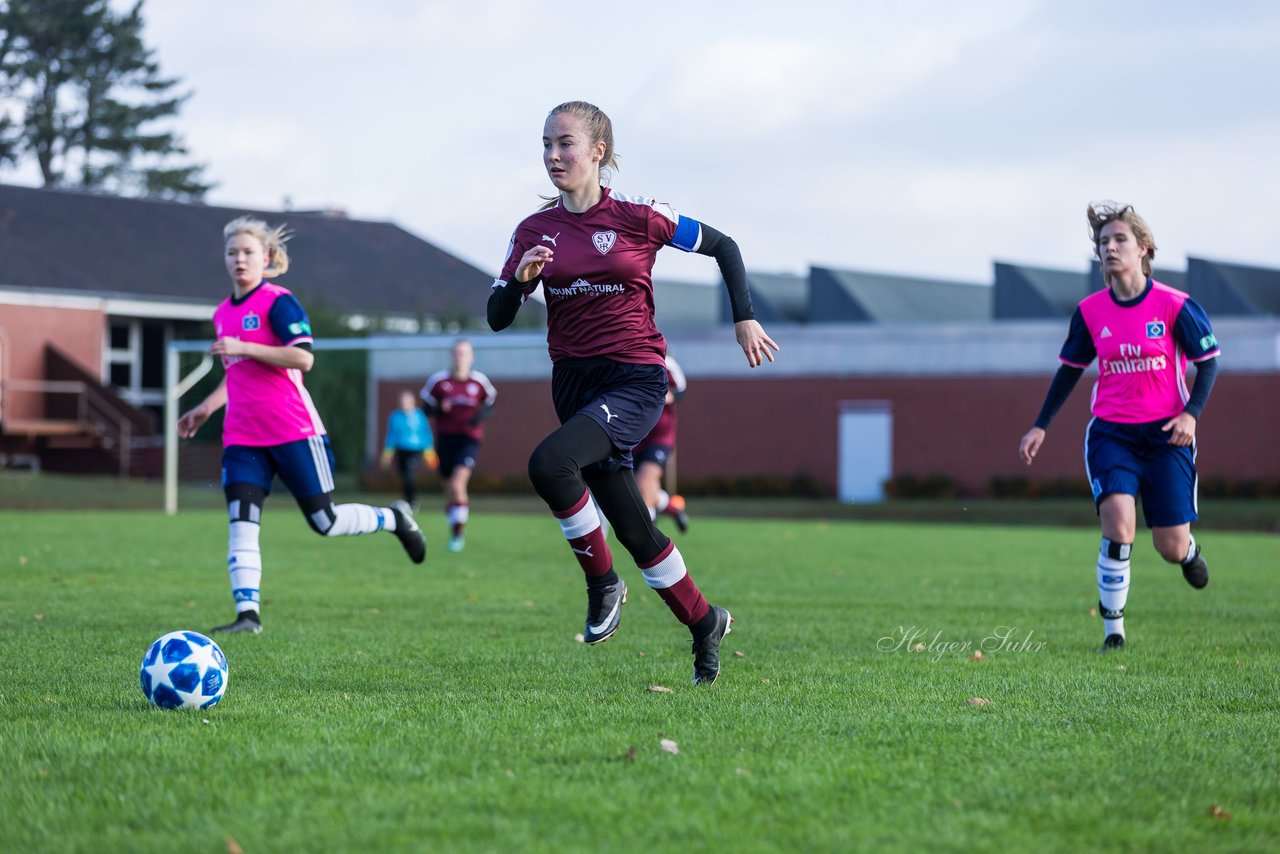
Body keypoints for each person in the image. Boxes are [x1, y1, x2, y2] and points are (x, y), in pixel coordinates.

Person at [487, 100, 779, 685]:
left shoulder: (641, 217)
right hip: (573, 382)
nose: (552, 155)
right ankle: (705, 622)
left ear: (598, 151)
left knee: (549, 463)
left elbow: (725, 246)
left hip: (634, 375)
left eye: (565, 143)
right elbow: (496, 316)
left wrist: (743, 317)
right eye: (545, 144)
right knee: (634, 528)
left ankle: (603, 585)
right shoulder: (532, 232)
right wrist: (521, 283)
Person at [178, 216, 426, 634]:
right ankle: (248, 616)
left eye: (248, 252)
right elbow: (236, 372)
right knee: (241, 520)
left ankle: (395, 519)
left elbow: (303, 358)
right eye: (232, 252)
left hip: (293, 430)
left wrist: (245, 345)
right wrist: (205, 407)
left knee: (324, 522)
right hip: (242, 437)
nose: (239, 259)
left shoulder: (279, 302)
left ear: (266, 258)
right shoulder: (223, 312)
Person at [1018, 202, 1220, 653]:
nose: (1109, 248)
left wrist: (1191, 415)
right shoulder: (1090, 312)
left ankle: (1187, 553)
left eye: (1119, 240)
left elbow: (1209, 364)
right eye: (1103, 243)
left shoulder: (1176, 306)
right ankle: (1114, 633)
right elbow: (1069, 370)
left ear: (1144, 248)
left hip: (1169, 436)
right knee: (1120, 523)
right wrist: (1040, 425)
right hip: (1113, 434)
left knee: (1168, 544)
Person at [421, 339, 496, 552]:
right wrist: (438, 409)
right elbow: (425, 411)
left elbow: (491, 405)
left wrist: (477, 419)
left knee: (457, 485)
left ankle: (457, 535)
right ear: (451, 356)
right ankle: (455, 525)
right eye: (456, 353)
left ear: (471, 357)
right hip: (445, 440)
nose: (460, 357)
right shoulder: (439, 382)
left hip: (469, 440)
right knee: (448, 490)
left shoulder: (479, 382)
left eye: (464, 353)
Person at [634, 353, 690, 533]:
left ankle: (648, 528)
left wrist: (661, 396)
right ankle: (673, 508)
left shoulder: (666, 363)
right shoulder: (628, 361)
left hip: (660, 437)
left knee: (646, 480)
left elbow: (680, 392)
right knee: (639, 487)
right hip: (635, 438)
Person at [380, 390, 438, 512]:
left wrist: (430, 454)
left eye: (406, 401)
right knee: (404, 476)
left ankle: (412, 502)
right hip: (401, 450)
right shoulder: (395, 416)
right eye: (402, 402)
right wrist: (387, 454)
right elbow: (391, 436)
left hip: (415, 450)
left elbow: (426, 434)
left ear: (412, 402)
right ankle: (408, 501)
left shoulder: (420, 415)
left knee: (409, 475)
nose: (404, 404)